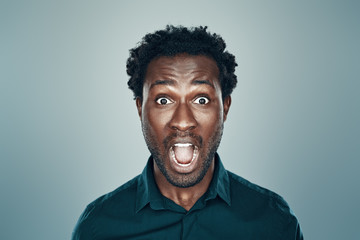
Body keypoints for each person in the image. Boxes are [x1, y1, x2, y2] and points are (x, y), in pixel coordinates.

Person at [72, 25, 303, 239]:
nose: (183, 121)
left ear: (225, 107)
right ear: (140, 109)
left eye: (201, 99)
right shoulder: (98, 227)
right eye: (163, 99)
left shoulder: (274, 223)